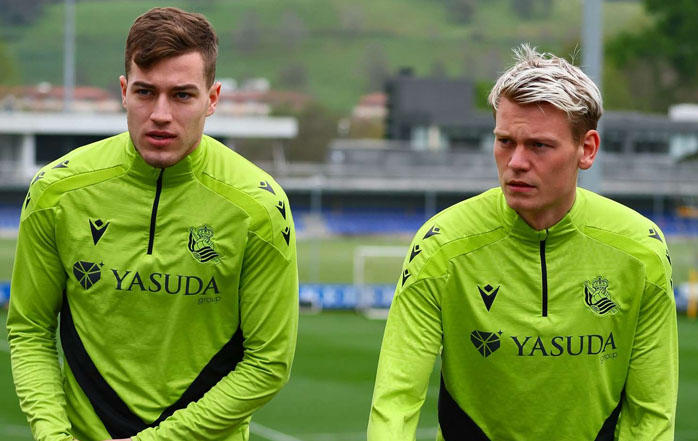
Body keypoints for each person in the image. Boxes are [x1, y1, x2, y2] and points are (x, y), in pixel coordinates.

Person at [7, 7, 298, 441]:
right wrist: (53, 435)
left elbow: (268, 361)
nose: (161, 114)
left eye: (181, 95)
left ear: (212, 99)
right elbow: (29, 328)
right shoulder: (56, 191)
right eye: (146, 92)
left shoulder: (259, 206)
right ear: (125, 91)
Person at [368, 44, 677, 441]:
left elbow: (651, 416)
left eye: (538, 145)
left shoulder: (640, 250)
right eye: (505, 141)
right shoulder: (441, 246)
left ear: (586, 149)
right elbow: (394, 402)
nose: (515, 162)